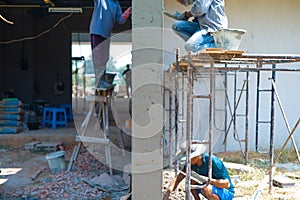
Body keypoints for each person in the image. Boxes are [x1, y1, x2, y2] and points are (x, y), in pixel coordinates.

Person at [163, 143, 235, 200]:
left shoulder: (212, 161)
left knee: (206, 187)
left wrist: (208, 181)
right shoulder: (191, 165)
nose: (188, 160)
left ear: (197, 156)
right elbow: (178, 178)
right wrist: (168, 193)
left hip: (225, 192)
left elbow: (226, 184)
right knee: (191, 181)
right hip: (207, 189)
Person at [90, 0, 131, 89]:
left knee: (104, 57)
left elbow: (120, 19)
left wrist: (127, 13)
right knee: (98, 57)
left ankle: (102, 81)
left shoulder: (116, 4)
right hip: (97, 30)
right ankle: (99, 82)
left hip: (106, 33)